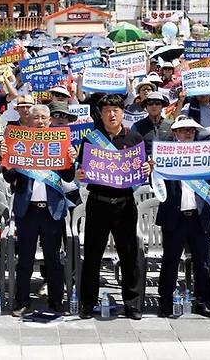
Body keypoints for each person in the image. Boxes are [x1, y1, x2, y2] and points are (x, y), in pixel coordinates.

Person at [76, 94, 151, 320]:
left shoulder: (134, 138)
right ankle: (88, 303)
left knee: (129, 255)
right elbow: (82, 172)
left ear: (122, 113)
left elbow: (141, 172)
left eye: (116, 110)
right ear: (101, 114)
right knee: (92, 256)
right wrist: (79, 174)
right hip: (98, 203)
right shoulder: (91, 139)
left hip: (124, 204)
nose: (112, 114)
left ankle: (132, 304)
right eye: (107, 110)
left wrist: (147, 169)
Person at [1, 104, 77, 316]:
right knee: (25, 258)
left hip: (52, 210)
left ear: (50, 120)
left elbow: (69, 177)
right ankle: (22, 301)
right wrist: (6, 160)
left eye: (44, 118)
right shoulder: (20, 143)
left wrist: (70, 160)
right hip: (28, 210)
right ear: (29, 121)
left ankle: (55, 301)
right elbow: (9, 178)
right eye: (37, 118)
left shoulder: (58, 142)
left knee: (54, 259)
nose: (41, 122)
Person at [156, 116, 210, 319]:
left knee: (202, 263)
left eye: (191, 130)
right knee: (170, 261)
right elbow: (155, 183)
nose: (188, 133)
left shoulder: (205, 154)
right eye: (183, 130)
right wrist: (153, 167)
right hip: (174, 215)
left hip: (198, 216)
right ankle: (165, 303)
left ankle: (203, 303)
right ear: (175, 133)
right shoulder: (165, 155)